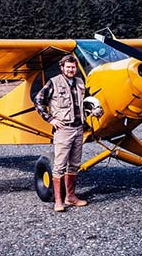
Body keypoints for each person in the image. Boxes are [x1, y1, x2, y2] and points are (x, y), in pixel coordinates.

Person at [34, 54, 88, 212]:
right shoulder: (54, 82)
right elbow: (38, 100)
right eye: (68, 67)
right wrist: (50, 119)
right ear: (62, 68)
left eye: (73, 67)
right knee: (59, 166)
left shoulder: (79, 82)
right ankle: (58, 201)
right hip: (63, 130)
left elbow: (86, 101)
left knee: (74, 165)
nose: (71, 69)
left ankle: (70, 197)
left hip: (79, 129)